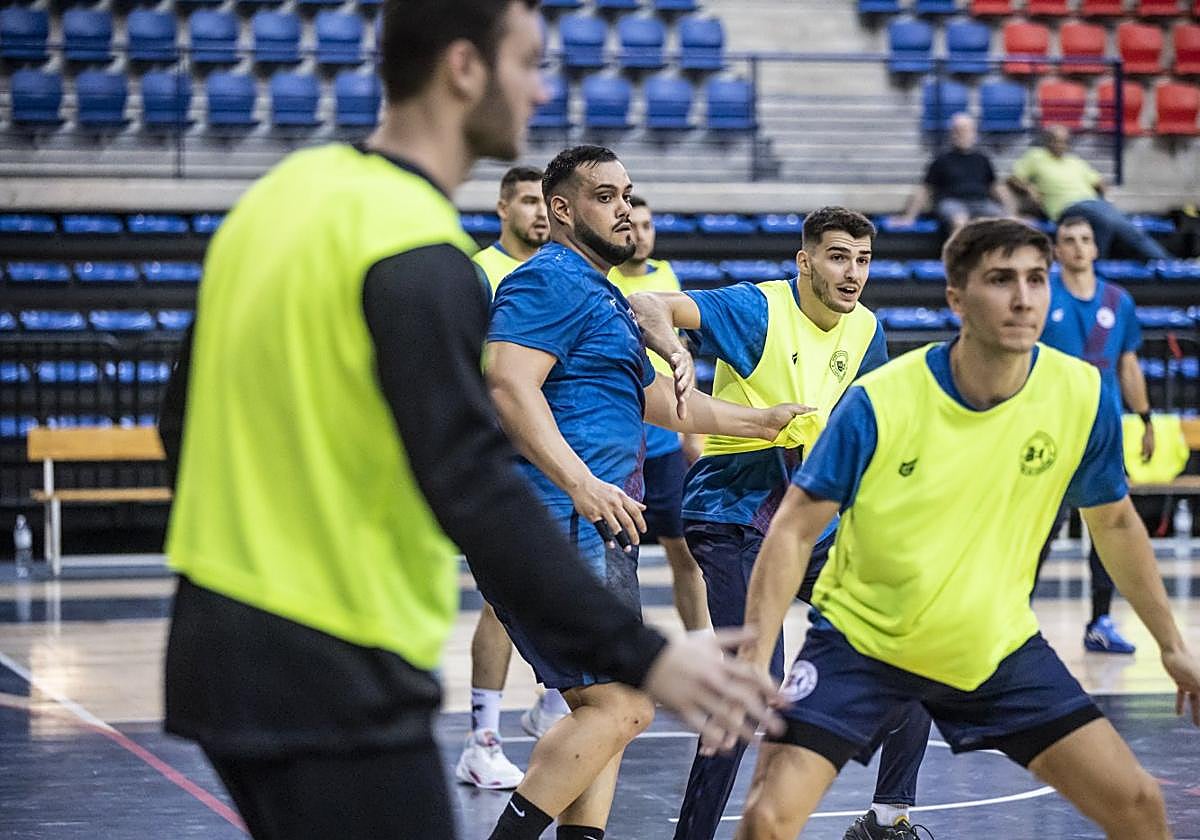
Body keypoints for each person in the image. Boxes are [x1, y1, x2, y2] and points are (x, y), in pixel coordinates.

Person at [157, 4, 783, 839]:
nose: (540, 87)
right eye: (528, 64)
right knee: (614, 702)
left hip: (216, 632)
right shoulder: (421, 252)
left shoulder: (280, 198)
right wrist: (651, 655)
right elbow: (474, 480)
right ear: (463, 68)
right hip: (338, 650)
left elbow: (178, 420)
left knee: (602, 714)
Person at [732, 218, 1200, 840]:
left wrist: (1171, 645)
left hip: (993, 645)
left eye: (1037, 280)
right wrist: (754, 661)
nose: (1024, 297)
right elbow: (790, 531)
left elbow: (1114, 521)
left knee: (1138, 806)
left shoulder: (1081, 394)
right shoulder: (882, 400)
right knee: (767, 819)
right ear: (956, 298)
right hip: (863, 643)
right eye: (1001, 280)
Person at [484, 144, 810, 840]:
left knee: (607, 716)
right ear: (562, 209)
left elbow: (663, 402)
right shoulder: (547, 280)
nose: (624, 207)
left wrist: (763, 423)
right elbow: (508, 385)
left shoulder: (599, 292)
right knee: (625, 705)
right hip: (559, 521)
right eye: (605, 195)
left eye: (627, 194)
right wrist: (580, 482)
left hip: (600, 527)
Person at [630, 207, 933, 840]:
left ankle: (887, 819)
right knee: (753, 686)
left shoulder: (868, 330)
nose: (852, 273)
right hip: (732, 512)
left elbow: (872, 430)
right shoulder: (759, 309)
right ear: (805, 260)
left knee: (912, 651)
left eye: (863, 259)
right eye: (838, 256)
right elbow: (650, 303)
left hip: (810, 520)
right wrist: (675, 357)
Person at [458, 164, 566, 792]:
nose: (539, 213)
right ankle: (482, 739)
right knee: (502, 602)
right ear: (503, 208)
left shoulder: (557, 274)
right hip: (502, 456)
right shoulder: (481, 272)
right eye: (527, 201)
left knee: (556, 586)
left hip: (553, 454)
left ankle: (551, 705)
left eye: (543, 202)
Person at [1036, 215, 1156, 655]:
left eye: (1085, 239)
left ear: (1096, 249)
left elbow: (1128, 364)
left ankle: (1101, 621)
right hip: (1050, 431)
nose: (1078, 246)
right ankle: (1014, 617)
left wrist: (1144, 418)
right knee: (1038, 530)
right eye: (1068, 240)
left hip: (1102, 434)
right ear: (1057, 250)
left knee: (1106, 530)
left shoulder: (1118, 301)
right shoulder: (1044, 296)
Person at [608, 194, 711, 634]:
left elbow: (682, 353)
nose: (642, 234)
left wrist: (693, 435)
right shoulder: (604, 278)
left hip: (666, 441)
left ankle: (702, 648)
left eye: (649, 226)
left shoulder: (669, 278)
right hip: (620, 439)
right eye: (635, 226)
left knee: (685, 552)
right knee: (613, 559)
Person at [1009, 125, 1170, 261]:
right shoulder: (1036, 157)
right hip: (1067, 207)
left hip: (1094, 203)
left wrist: (1103, 188)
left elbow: (1097, 181)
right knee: (1107, 221)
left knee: (1128, 227)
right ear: (1047, 141)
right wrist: (1029, 189)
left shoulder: (1075, 161)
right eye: (1057, 140)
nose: (1061, 145)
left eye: (1064, 141)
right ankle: (1098, 264)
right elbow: (1014, 179)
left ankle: (1167, 262)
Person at [892, 112, 1016, 235]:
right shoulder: (941, 160)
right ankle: (959, 254)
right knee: (960, 221)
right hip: (952, 203)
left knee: (1004, 222)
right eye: (958, 130)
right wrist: (909, 217)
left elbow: (997, 188)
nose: (962, 134)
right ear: (952, 133)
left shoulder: (982, 159)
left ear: (974, 133)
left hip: (981, 202)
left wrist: (1013, 214)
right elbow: (925, 189)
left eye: (966, 130)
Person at [474, 165, 550, 294]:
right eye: (530, 202)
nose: (542, 213)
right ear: (504, 209)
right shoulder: (479, 270)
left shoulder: (560, 269)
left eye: (547, 203)